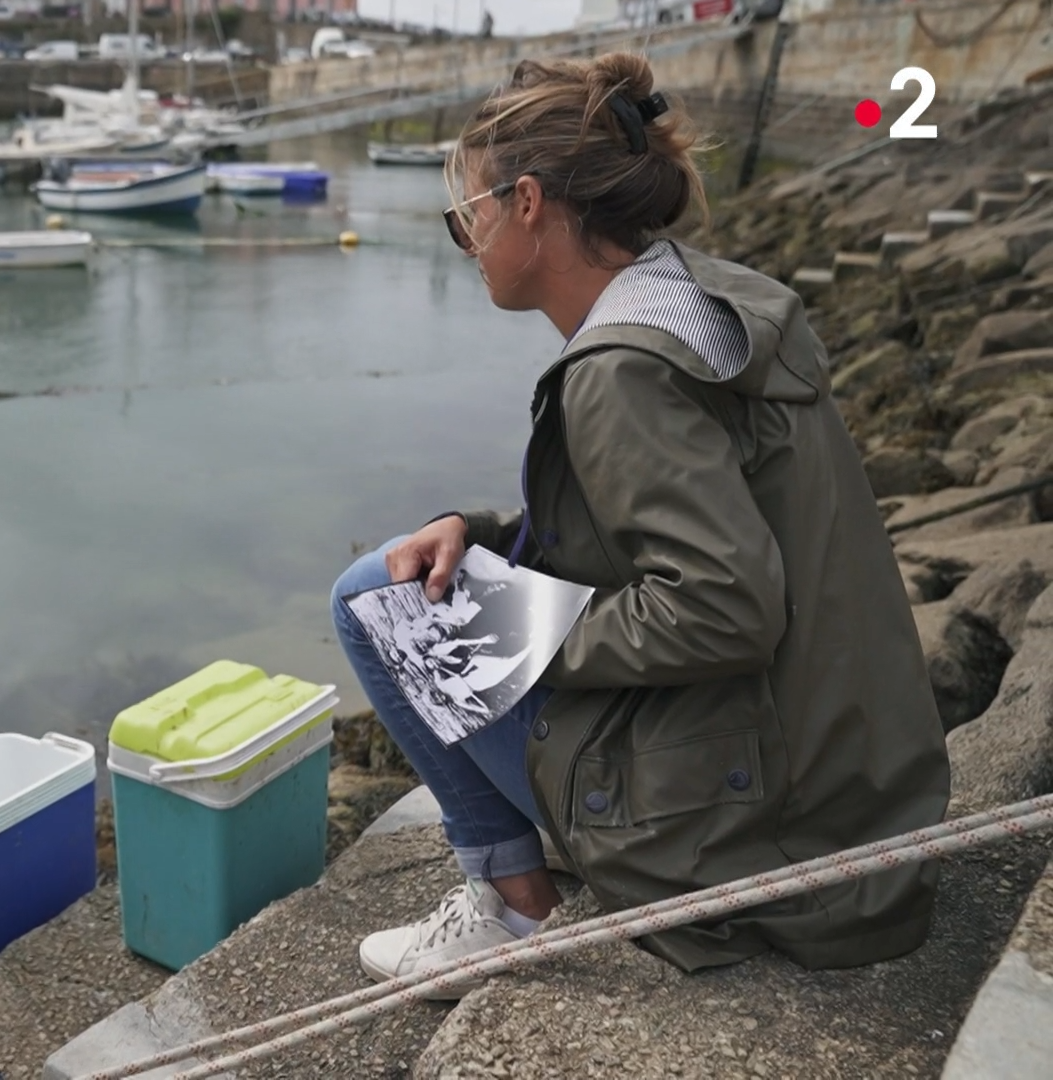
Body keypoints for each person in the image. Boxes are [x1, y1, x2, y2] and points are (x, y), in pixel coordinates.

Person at [329, 53, 950, 996]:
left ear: (526, 204)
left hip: (779, 848)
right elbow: (657, 519)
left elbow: (723, 607)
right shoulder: (700, 300)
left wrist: (517, 639)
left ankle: (510, 906)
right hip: (856, 806)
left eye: (466, 215)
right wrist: (483, 531)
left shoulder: (620, 373)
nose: (466, 241)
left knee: (375, 596)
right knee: (432, 576)